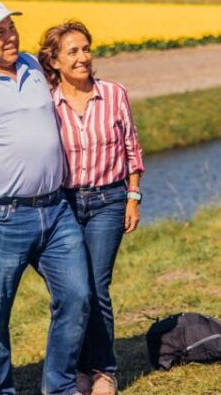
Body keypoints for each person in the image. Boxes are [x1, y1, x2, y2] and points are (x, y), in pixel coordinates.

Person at [0, 0, 90, 395]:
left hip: (55, 210)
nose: (9, 36)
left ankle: (60, 387)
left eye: (10, 27)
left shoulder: (33, 65)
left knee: (77, 297)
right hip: (0, 217)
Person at [37, 20, 145, 395]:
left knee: (97, 287)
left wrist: (133, 196)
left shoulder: (113, 94)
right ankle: (74, 370)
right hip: (63, 204)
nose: (83, 57)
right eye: (73, 51)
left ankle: (102, 371)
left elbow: (132, 147)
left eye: (86, 49)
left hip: (108, 201)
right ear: (53, 61)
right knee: (73, 290)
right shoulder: (45, 103)